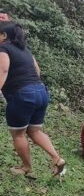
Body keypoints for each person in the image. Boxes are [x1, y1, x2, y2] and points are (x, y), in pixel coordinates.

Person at [0, 21, 65, 177]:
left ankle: (26, 168)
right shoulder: (25, 50)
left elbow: (3, 69)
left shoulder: (3, 48)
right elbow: (37, 69)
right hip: (41, 91)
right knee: (35, 131)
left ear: (4, 36)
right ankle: (57, 158)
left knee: (18, 134)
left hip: (22, 95)